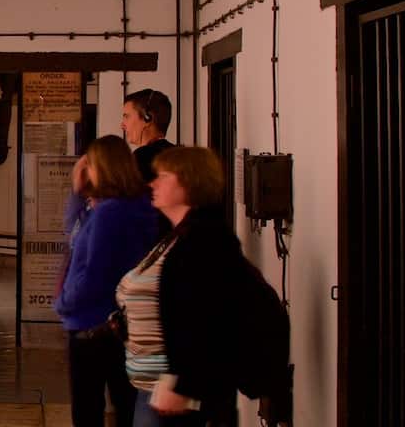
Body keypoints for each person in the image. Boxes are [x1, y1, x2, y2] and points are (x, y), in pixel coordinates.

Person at [118, 147, 289, 427]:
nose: (153, 183)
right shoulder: (179, 235)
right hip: (164, 385)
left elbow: (208, 318)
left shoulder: (205, 238)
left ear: (189, 181)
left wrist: (183, 384)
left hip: (186, 395)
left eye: (163, 176)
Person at [53, 135, 163, 427]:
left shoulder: (109, 214)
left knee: (88, 410)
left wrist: (65, 302)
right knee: (124, 405)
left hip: (92, 324)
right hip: (122, 324)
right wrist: (79, 196)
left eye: (89, 164)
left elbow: (93, 273)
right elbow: (74, 232)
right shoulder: (135, 207)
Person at [122, 89, 176, 182]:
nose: (122, 125)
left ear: (147, 118)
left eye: (127, 116)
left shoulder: (141, 159)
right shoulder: (178, 155)